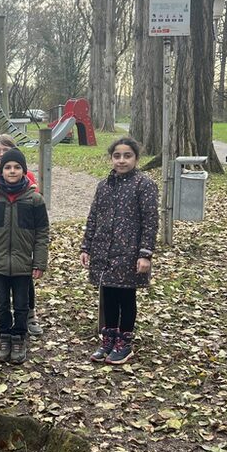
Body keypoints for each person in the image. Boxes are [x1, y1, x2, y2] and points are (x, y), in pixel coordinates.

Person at [80, 137, 159, 365]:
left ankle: (124, 343)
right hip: (104, 250)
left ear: (136, 158)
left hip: (129, 252)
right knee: (109, 295)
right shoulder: (104, 185)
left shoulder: (144, 185)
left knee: (126, 296)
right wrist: (86, 246)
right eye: (117, 156)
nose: (121, 160)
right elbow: (93, 217)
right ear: (111, 158)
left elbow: (150, 221)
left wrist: (145, 253)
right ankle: (108, 339)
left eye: (127, 156)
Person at [0, 149, 49, 365]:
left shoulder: (34, 200)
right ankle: (5, 335)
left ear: (24, 171)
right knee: (1, 303)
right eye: (8, 167)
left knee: (22, 303)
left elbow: (42, 233)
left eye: (17, 167)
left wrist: (39, 262)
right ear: (1, 170)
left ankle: (19, 337)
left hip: (23, 262)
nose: (12, 171)